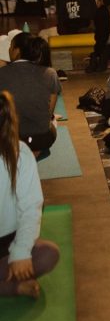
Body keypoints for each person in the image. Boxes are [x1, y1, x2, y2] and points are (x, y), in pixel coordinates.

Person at [0, 91, 60, 299]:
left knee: (48, 254)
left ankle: (10, 281)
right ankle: (13, 287)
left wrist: (21, 252)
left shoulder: (20, 153)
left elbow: (30, 207)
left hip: (8, 241)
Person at [0, 34, 60, 157]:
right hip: (42, 138)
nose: (9, 50)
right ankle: (32, 153)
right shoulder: (50, 73)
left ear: (17, 50)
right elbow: (49, 113)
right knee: (51, 124)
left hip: (9, 139)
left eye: (11, 47)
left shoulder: (2, 73)